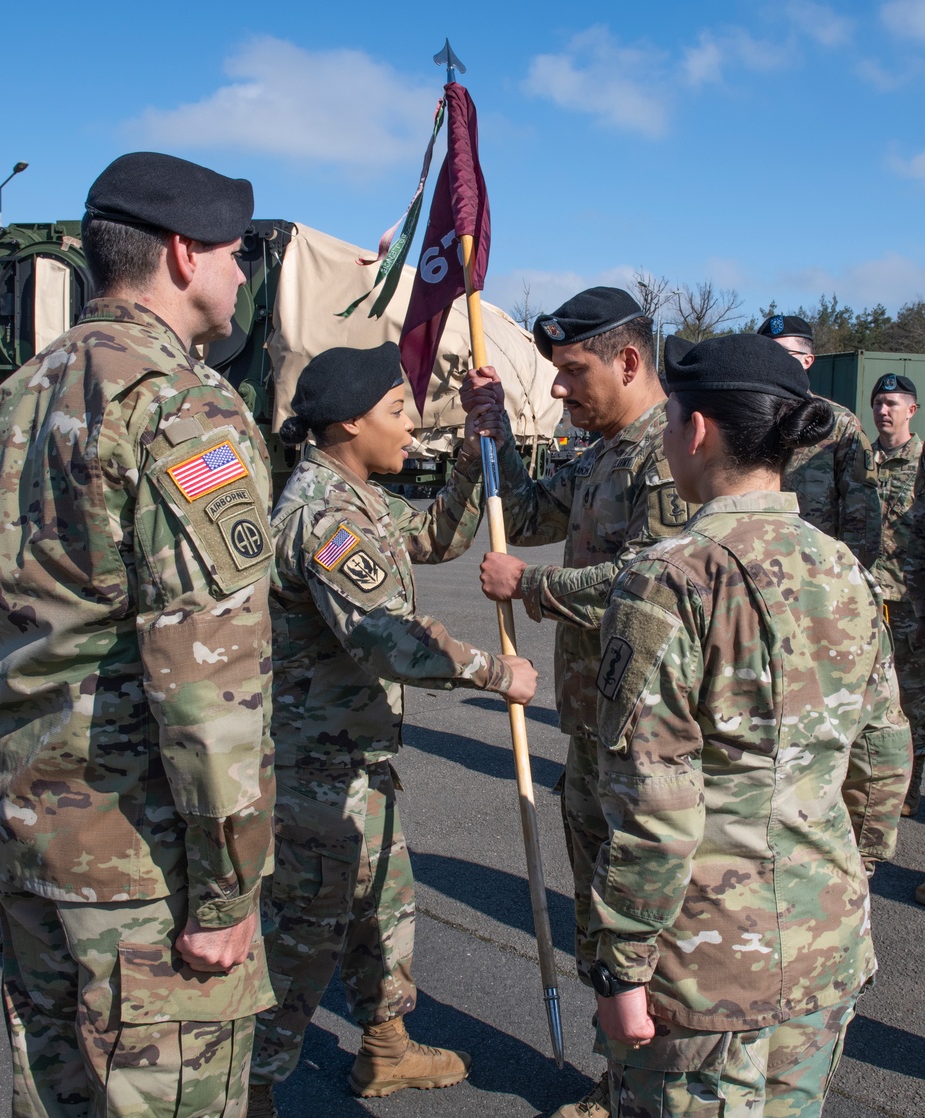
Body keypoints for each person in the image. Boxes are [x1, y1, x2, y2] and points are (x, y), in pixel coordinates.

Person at [0, 152, 278, 1117]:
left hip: (33, 845)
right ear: (183, 254)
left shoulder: (6, 406)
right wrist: (225, 895)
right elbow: (212, 682)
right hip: (147, 874)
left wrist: (17, 782)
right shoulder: (183, 409)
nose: (243, 274)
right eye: (234, 252)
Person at [573, 333, 911, 1118]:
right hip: (826, 950)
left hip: (705, 974)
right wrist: (843, 876)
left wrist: (620, 967)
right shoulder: (841, 567)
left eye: (669, 425)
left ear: (696, 432)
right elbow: (884, 754)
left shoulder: (669, 578)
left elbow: (655, 805)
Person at [247, 342, 538, 1117]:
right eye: (397, 412)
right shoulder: (325, 518)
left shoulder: (360, 497)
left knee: (384, 903)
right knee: (301, 941)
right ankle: (248, 1088)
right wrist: (494, 671)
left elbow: (438, 536)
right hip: (314, 774)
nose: (411, 431)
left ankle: (384, 1048)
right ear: (348, 422)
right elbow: (389, 639)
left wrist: (479, 456)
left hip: (355, 760)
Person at [461, 287, 694, 1118]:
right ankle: (623, 1080)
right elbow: (522, 514)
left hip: (648, 744)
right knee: (601, 922)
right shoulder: (603, 450)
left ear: (629, 362)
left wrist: (537, 588)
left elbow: (661, 587)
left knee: (645, 929)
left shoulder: (665, 458)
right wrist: (487, 434)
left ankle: (662, 1087)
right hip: (595, 730)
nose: (558, 389)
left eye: (572, 371)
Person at [757, 313, 881, 566]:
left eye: (783, 354)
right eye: (764, 353)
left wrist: (850, 578)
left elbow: (861, 514)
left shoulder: (838, 423)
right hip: (757, 566)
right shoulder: (749, 419)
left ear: (807, 361)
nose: (770, 362)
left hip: (818, 572)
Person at [869, 373, 925, 818]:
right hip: (865, 599)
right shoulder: (859, 461)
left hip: (910, 600)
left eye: (891, 403)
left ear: (912, 410)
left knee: (913, 698)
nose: (882, 411)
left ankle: (910, 790)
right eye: (877, 403)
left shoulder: (922, 464)